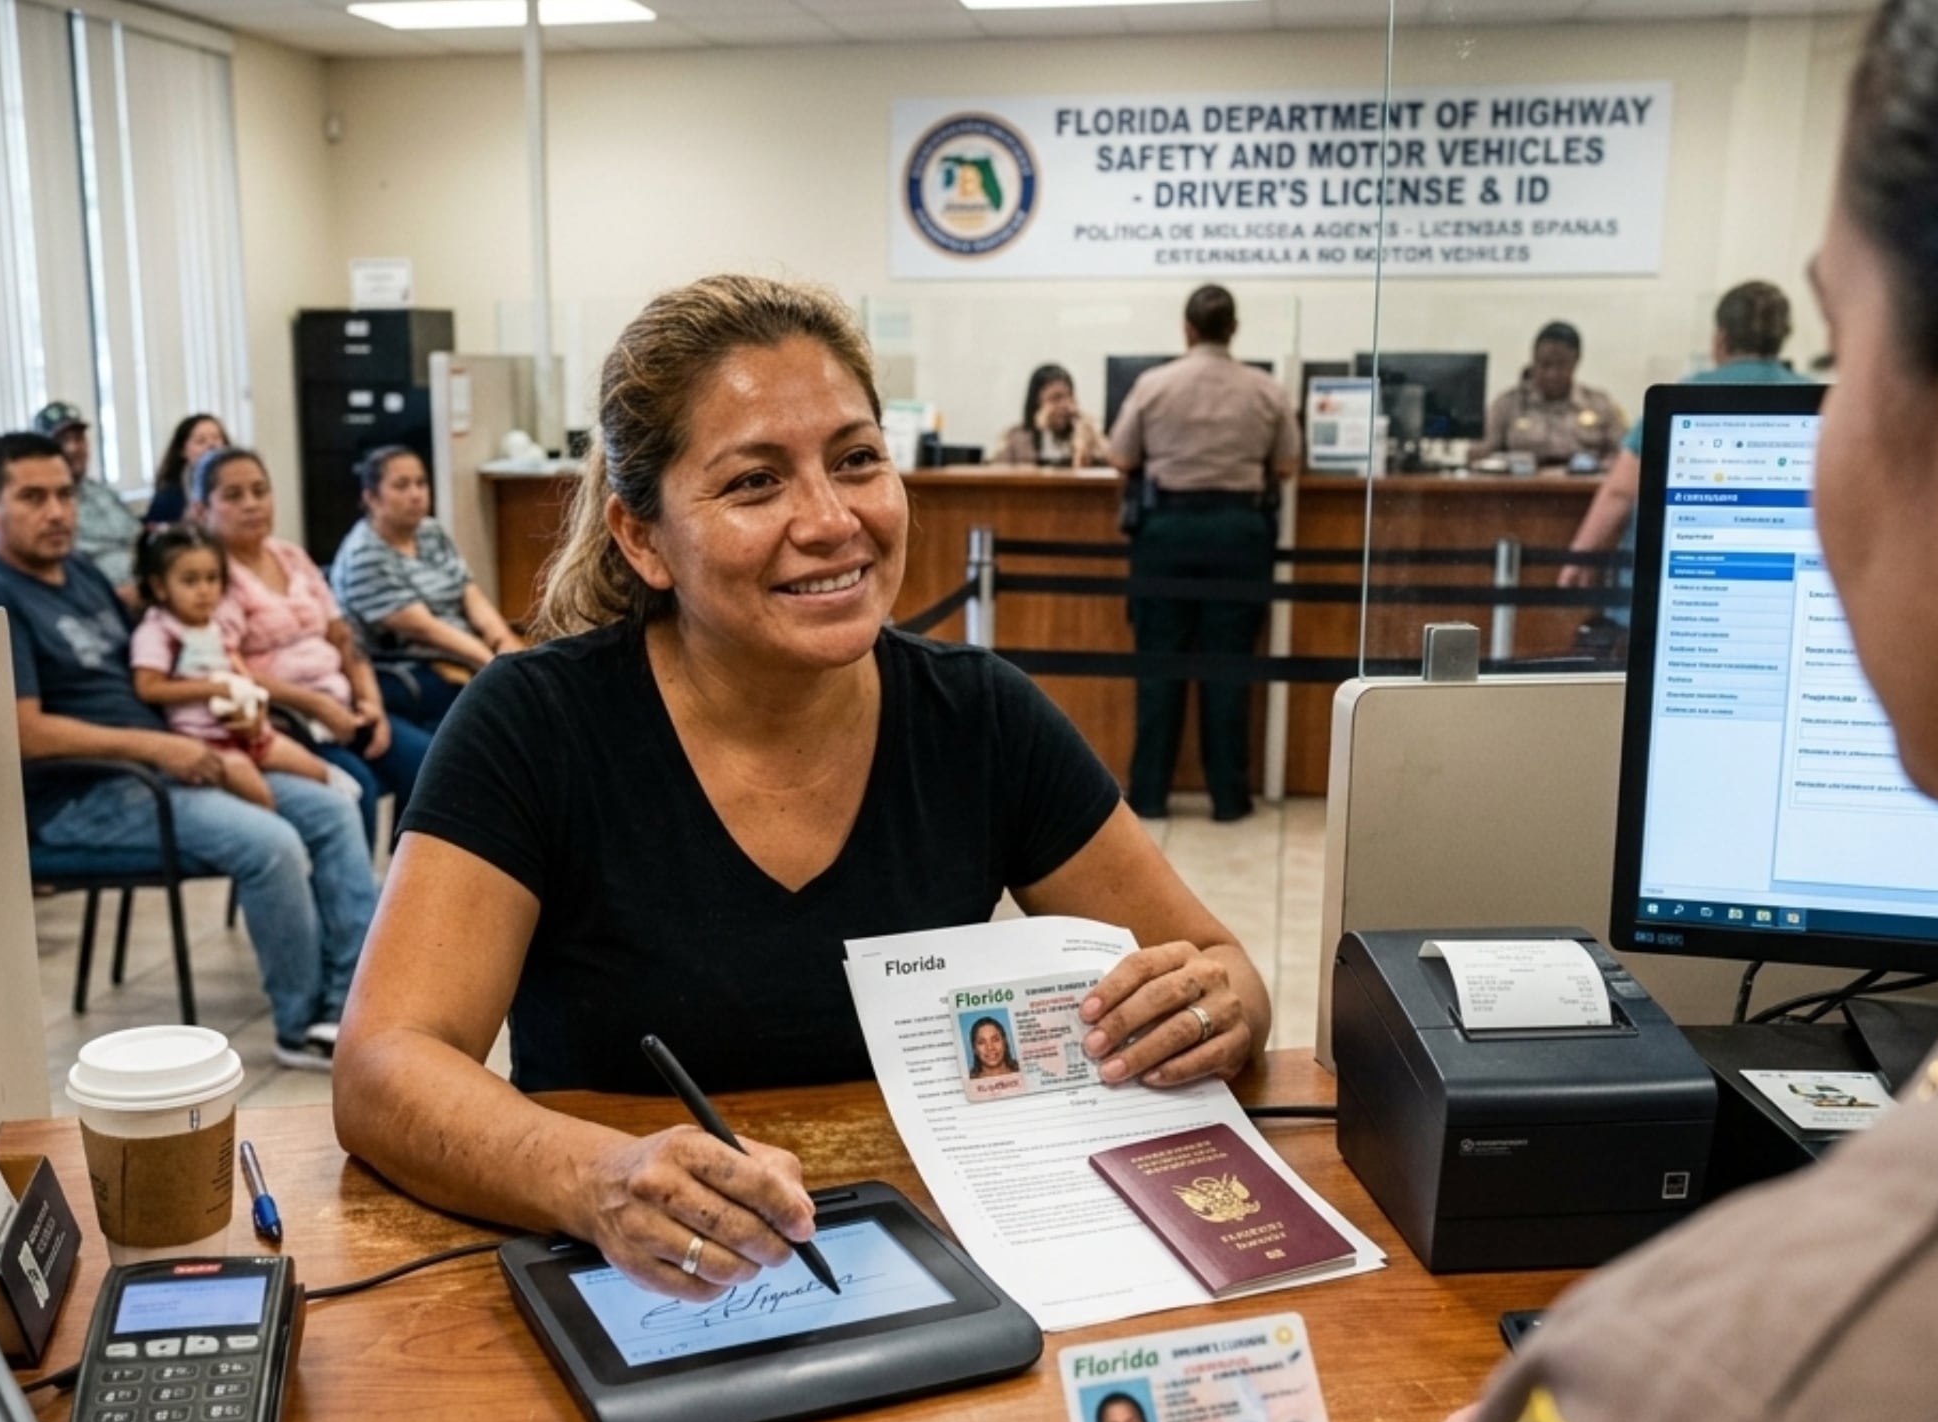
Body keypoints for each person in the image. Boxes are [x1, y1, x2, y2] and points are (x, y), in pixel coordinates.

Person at [961, 0, 1938, 1422]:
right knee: (1224, 717)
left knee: (1171, 701)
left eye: (1841, 351)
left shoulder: (1741, 1400)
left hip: (1167, 553)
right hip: (1239, 553)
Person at [332, 274, 1269, 1302]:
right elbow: (383, 1069)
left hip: (917, 1275)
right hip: (642, 1281)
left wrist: (1221, 1002)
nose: (833, 520)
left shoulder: (981, 717)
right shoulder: (533, 724)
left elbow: (1219, 964)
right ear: (643, 538)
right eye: (753, 483)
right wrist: (595, 1176)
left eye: (858, 461)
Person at [0, 433, 375, 1070]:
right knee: (272, 844)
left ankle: (351, 1009)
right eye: (32, 498)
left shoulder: (78, 573)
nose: (58, 512)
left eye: (65, 494)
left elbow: (157, 657)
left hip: (165, 763)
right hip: (84, 792)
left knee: (333, 811)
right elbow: (23, 732)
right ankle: (300, 1021)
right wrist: (165, 749)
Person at [1106, 284, 1300, 823]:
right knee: (1228, 667)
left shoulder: (1154, 384)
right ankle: (1229, 799)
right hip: (1239, 534)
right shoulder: (1266, 389)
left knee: (1159, 666)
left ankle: (1148, 795)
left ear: (1187, 329)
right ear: (1233, 329)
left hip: (1165, 532)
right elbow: (1287, 465)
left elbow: (1120, 456)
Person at [194, 446, 430, 845]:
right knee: (358, 787)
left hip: (342, 707)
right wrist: (316, 705)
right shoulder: (209, 578)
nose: (252, 504)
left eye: (259, 491)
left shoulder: (290, 556)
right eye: (234, 496)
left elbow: (343, 637)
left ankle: (404, 889)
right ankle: (356, 907)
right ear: (203, 510)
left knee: (431, 763)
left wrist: (371, 702)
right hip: (286, 721)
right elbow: (229, 670)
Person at [1556, 282, 1816, 616]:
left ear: (1720, 338)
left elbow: (1620, 491)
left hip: (1680, 596)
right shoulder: (1816, 397)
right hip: (1778, 597)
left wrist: (1580, 556)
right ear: (1782, 338)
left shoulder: (1685, 395)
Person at [128, 524, 350, 811]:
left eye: (212, 579)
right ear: (160, 586)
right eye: (190, 581)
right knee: (261, 797)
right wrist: (214, 688)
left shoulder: (214, 624)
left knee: (316, 770)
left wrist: (250, 693)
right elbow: (148, 687)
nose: (205, 591)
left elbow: (233, 662)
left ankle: (342, 805)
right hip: (204, 739)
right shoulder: (159, 631)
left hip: (245, 727)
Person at [330, 445, 526, 729]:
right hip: (412, 668)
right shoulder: (364, 553)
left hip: (464, 656)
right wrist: (498, 668)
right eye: (402, 485)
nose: (416, 494)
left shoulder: (430, 531)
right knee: (512, 713)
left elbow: (469, 593)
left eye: (421, 483)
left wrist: (504, 641)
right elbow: (427, 630)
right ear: (371, 497)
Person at [1476, 322, 1626, 465]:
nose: (1551, 374)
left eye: (1561, 365)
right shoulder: (1507, 405)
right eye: (1544, 364)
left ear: (1576, 362)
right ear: (1533, 359)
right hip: (1521, 489)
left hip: (1586, 490)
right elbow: (1483, 453)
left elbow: (1624, 456)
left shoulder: (1600, 405)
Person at [34, 400, 142, 590]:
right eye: (62, 441)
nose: (74, 448)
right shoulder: (45, 510)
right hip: (99, 597)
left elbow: (137, 537)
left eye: (79, 439)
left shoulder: (103, 493)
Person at [990, 365, 1110, 468]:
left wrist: (1091, 435)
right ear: (1037, 404)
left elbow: (1112, 463)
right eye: (1056, 398)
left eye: (1069, 397)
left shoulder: (1083, 434)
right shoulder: (1015, 438)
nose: (1065, 405)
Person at [144, 413, 228, 527]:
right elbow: (156, 537)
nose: (212, 445)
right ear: (183, 451)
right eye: (201, 441)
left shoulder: (242, 478)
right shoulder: (168, 495)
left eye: (217, 438)